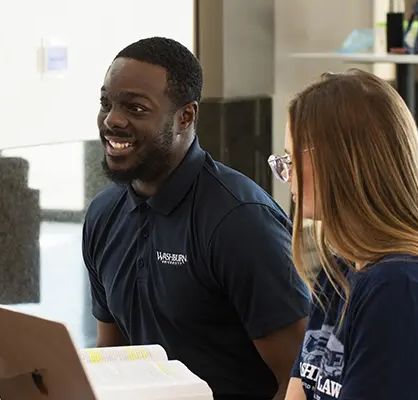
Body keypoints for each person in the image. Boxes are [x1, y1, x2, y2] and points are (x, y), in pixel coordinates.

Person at [82, 36, 310, 400]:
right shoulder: (104, 214)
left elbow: (299, 379)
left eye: (135, 108)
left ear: (185, 116)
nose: (112, 120)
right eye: (105, 103)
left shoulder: (241, 221)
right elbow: (113, 359)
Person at [271, 69, 418, 400]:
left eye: (291, 158)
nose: (287, 174)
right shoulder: (341, 266)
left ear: (342, 163)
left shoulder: (401, 286)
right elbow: (300, 388)